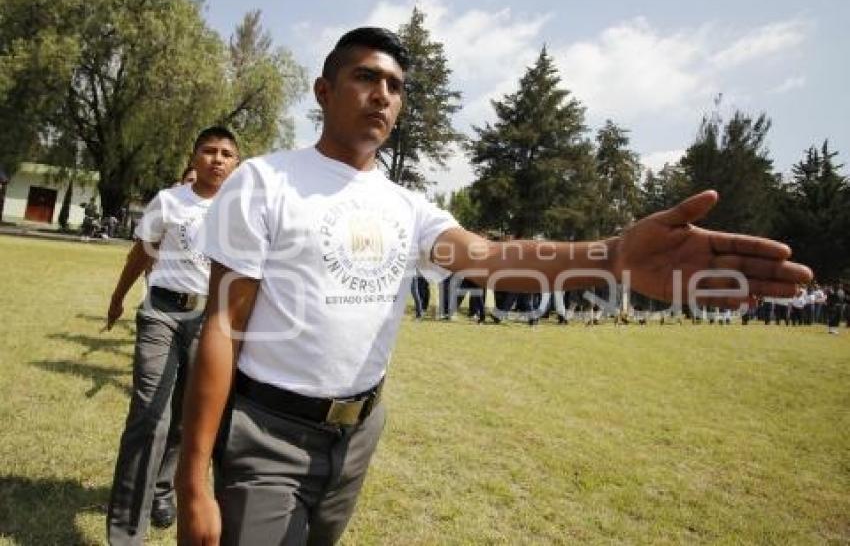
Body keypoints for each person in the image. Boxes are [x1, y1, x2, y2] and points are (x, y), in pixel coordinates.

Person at [175, 27, 811, 545]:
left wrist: (614, 256)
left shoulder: (407, 206)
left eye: (395, 86)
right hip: (269, 432)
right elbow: (222, 330)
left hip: (357, 434)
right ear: (324, 89)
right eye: (366, 77)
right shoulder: (265, 182)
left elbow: (491, 258)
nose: (382, 95)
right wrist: (193, 481)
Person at [104, 126, 239, 544]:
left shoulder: (241, 210)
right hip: (161, 313)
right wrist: (118, 297)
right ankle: (127, 530)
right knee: (150, 414)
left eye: (226, 154)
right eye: (209, 151)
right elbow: (141, 252)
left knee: (187, 417)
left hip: (208, 322)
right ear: (194, 157)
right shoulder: (168, 201)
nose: (217, 159)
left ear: (236, 164)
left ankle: (163, 488)